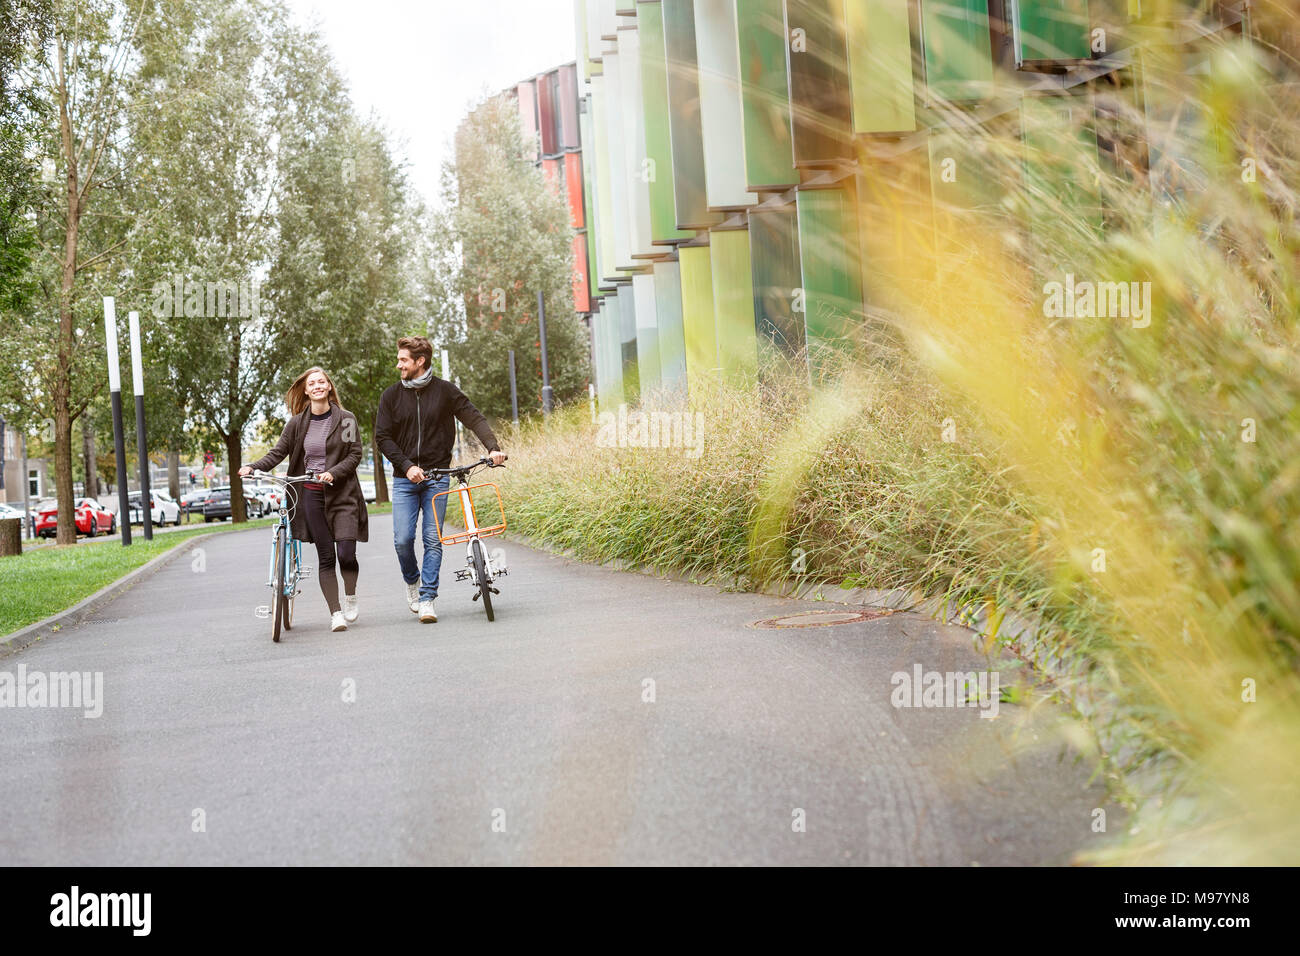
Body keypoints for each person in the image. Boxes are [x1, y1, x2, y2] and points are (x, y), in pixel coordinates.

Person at [375, 336, 505, 623]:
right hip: (405, 479)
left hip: (437, 477)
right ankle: (412, 580)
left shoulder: (445, 391)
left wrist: (493, 447)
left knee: (433, 539)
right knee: (403, 540)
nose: (398, 365)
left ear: (420, 361)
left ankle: (427, 598)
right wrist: (407, 466)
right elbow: (382, 437)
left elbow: (473, 417)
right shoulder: (391, 396)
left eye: (403, 360)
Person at [241, 367, 369, 632]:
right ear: (306, 390)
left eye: (322, 381)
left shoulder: (345, 420)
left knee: (346, 553)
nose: (317, 386)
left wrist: (332, 473)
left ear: (329, 387)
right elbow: (277, 453)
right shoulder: (297, 423)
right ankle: (336, 613)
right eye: (312, 383)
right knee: (325, 557)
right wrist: (254, 467)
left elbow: (354, 455)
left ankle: (351, 594)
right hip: (310, 493)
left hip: (342, 493)